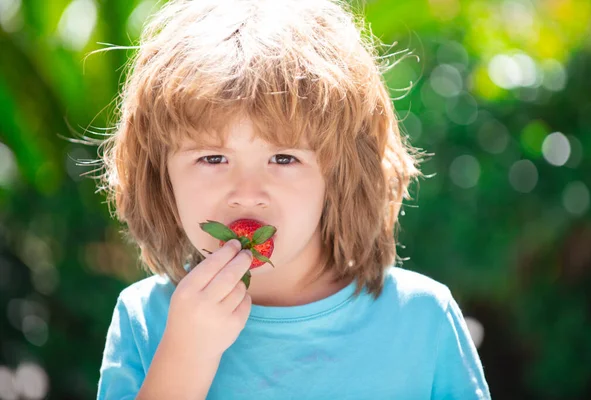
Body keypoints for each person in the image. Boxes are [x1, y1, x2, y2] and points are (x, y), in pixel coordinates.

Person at [95, 0, 491, 398]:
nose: (247, 193)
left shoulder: (421, 320)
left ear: (338, 174)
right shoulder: (146, 321)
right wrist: (184, 357)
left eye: (284, 158)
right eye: (212, 158)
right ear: (161, 177)